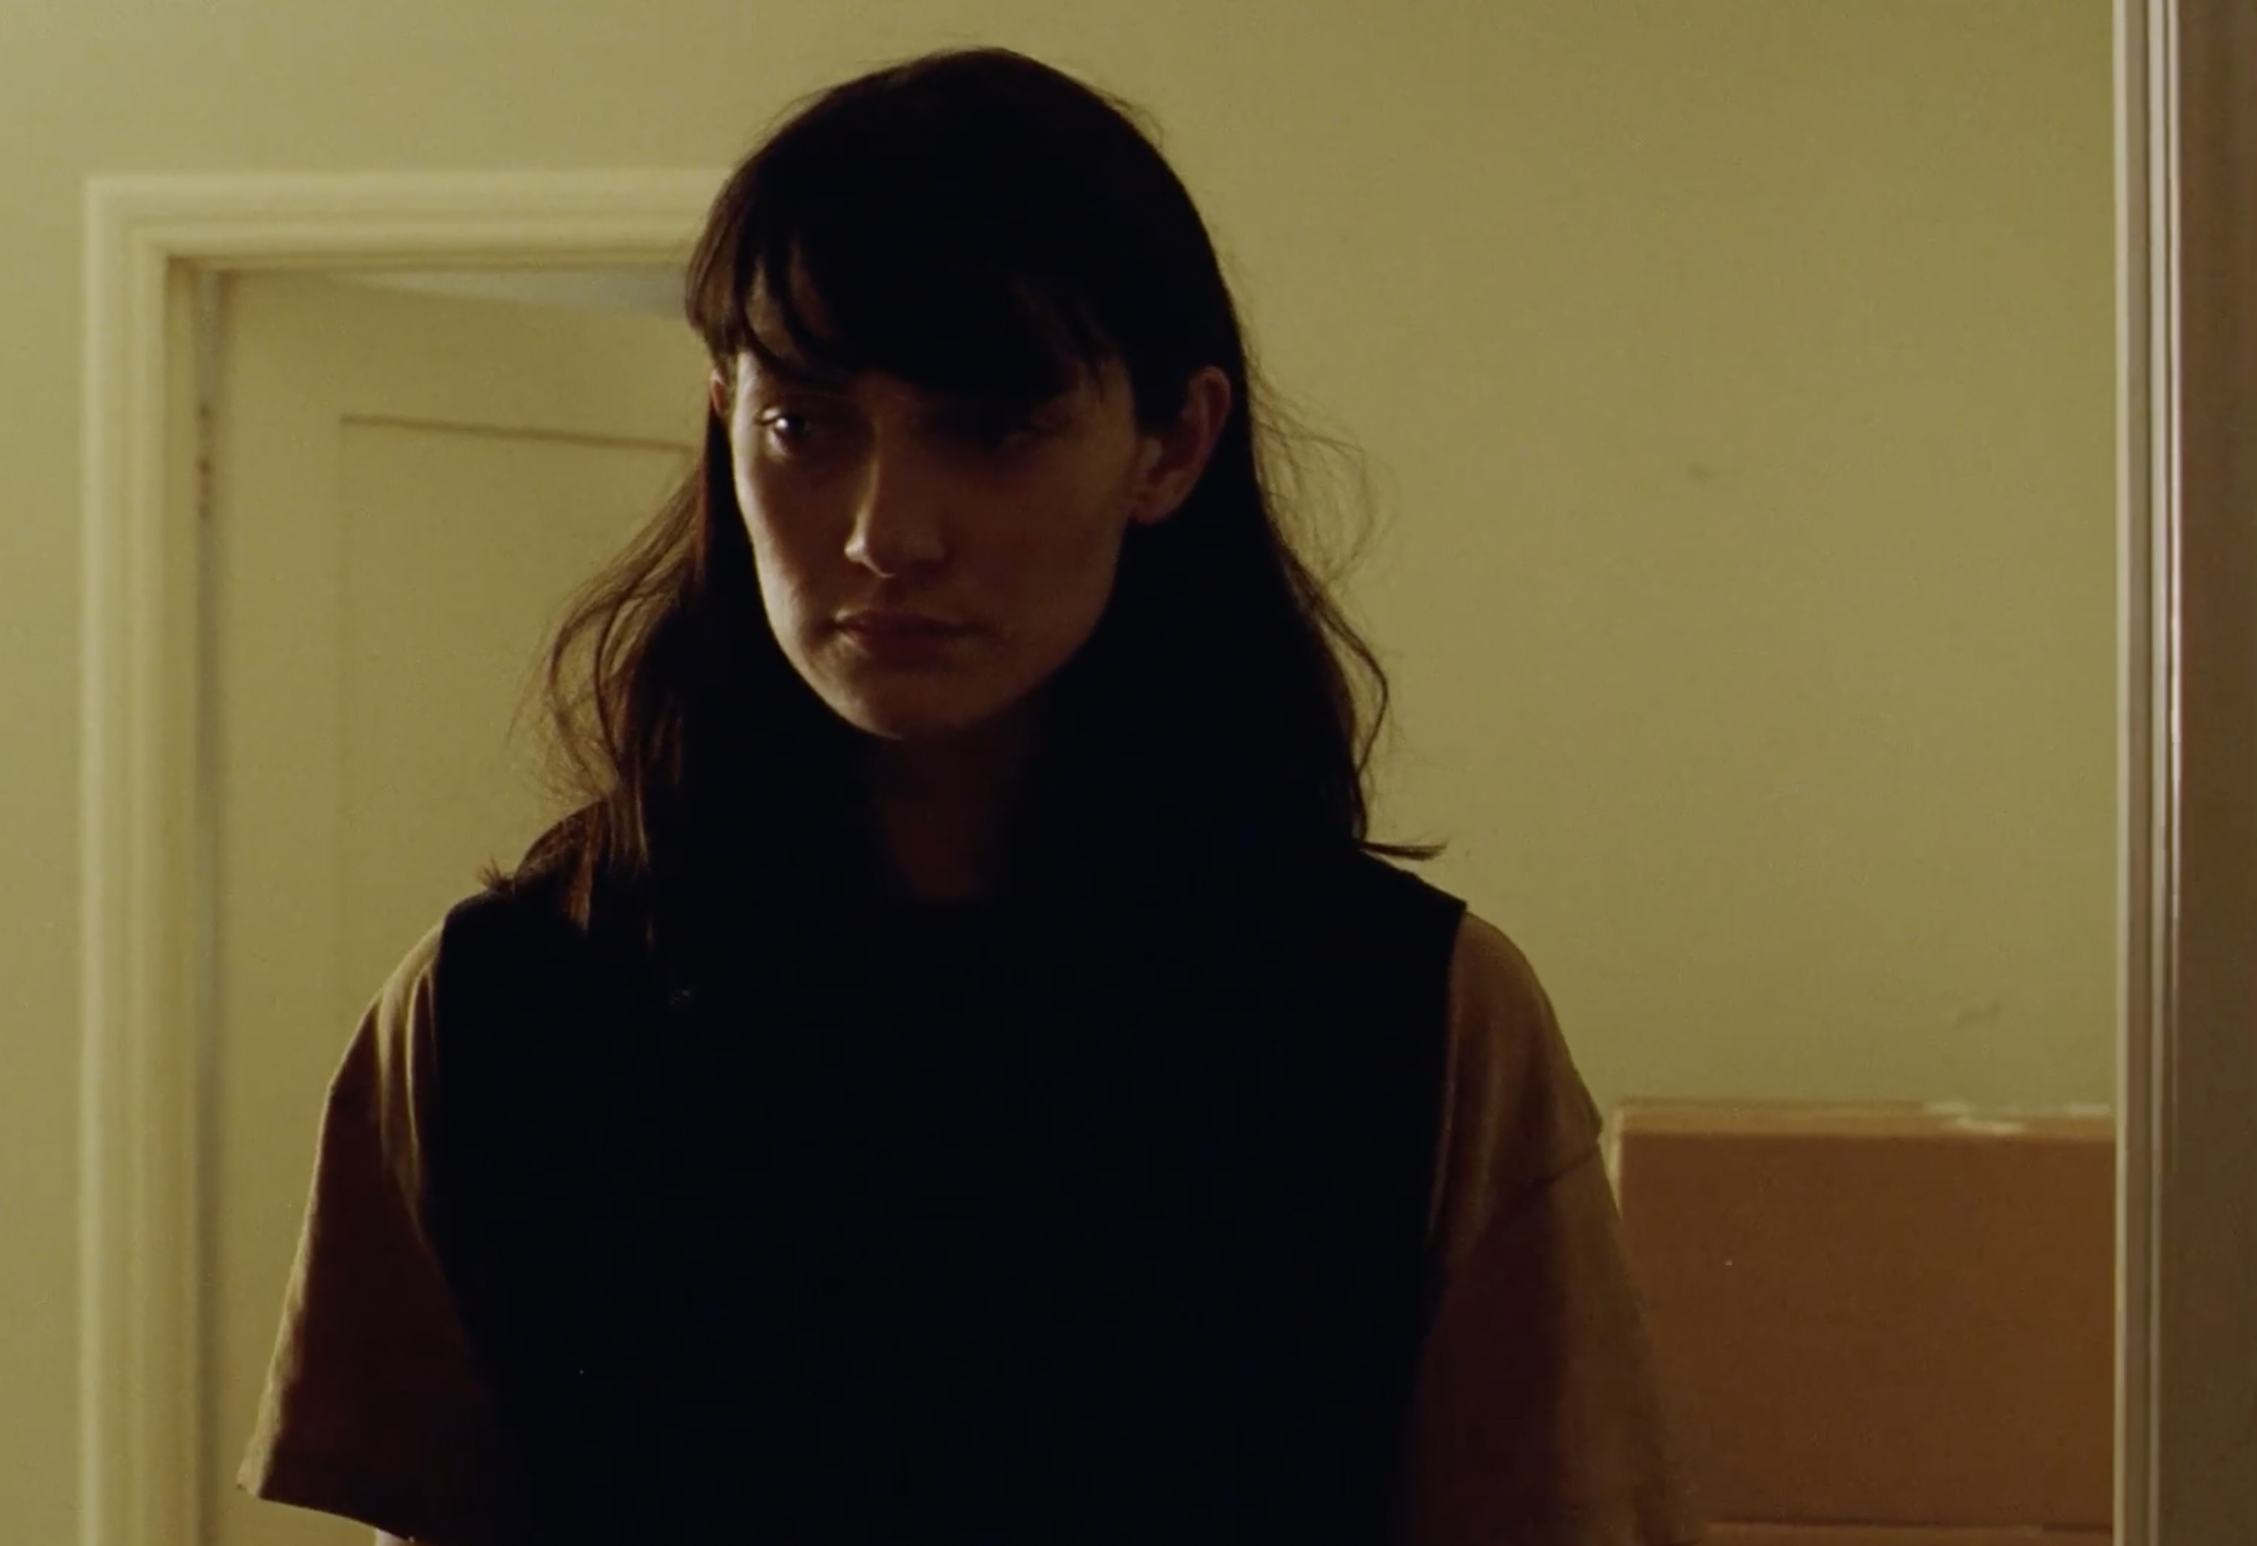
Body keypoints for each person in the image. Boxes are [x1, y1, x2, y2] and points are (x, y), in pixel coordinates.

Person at [238, 45, 1694, 1546]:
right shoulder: (500, 1002)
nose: (886, 532)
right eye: (807, 427)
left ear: (1172, 445)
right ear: (725, 423)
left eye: (989, 428)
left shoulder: (1411, 1017)